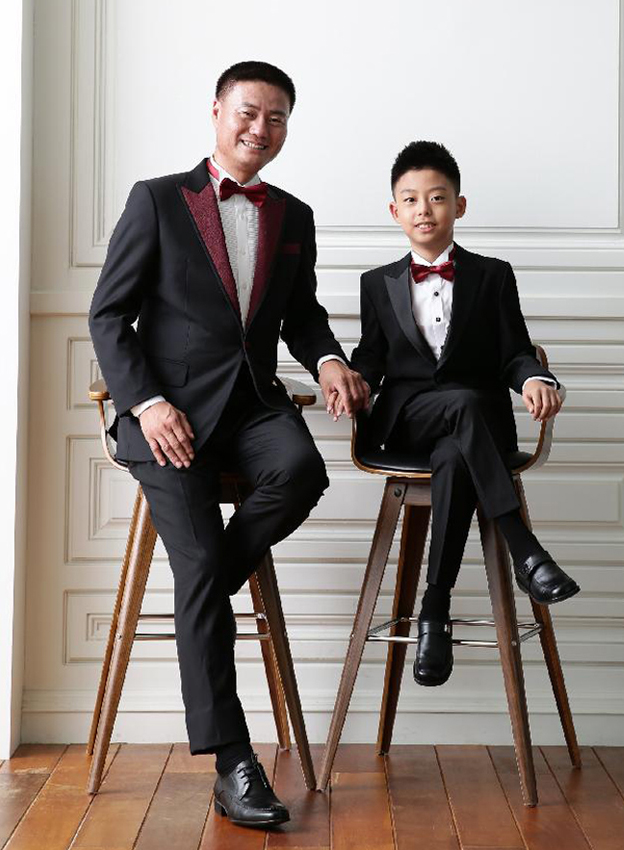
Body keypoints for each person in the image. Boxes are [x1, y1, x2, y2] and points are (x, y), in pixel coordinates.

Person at [88, 60, 368, 828]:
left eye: (277, 118)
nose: (260, 128)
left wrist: (330, 359)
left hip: (251, 408)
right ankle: (234, 763)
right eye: (248, 112)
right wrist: (146, 404)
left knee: (302, 471)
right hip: (168, 418)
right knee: (201, 567)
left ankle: (204, 585)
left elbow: (302, 315)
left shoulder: (293, 214)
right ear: (216, 111)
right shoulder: (156, 199)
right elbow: (107, 315)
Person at [348, 141, 579, 689]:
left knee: (455, 453)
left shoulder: (493, 275)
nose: (424, 209)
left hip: (471, 431)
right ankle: (525, 550)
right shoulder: (375, 283)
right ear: (395, 211)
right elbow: (372, 357)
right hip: (409, 421)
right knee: (465, 403)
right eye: (411, 199)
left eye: (437, 197)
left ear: (460, 205)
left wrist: (535, 379)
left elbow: (514, 351)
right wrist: (352, 380)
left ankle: (434, 610)